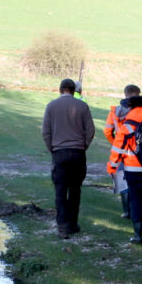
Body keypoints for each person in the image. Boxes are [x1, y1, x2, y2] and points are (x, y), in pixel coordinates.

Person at [42, 77, 97, 238]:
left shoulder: (51, 106)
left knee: (60, 191)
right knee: (75, 190)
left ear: (60, 90)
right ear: (74, 91)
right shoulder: (83, 106)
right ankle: (72, 224)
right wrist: (84, 145)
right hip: (78, 153)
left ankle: (62, 226)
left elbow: (45, 131)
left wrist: (52, 148)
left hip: (60, 153)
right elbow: (91, 130)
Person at [107, 94, 142, 244]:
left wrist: (112, 167)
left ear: (133, 108)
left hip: (133, 169)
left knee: (136, 200)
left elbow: (118, 149)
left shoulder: (127, 126)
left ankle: (137, 235)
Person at [106, 85, 140, 218]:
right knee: (137, 180)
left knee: (121, 178)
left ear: (125, 94)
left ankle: (126, 211)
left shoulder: (115, 112)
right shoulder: (141, 111)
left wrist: (115, 142)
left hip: (121, 149)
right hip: (137, 150)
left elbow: (107, 131)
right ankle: (137, 210)